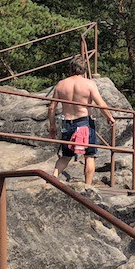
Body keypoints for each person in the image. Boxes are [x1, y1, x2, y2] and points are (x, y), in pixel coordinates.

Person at [48, 56, 115, 186]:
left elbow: (52, 108)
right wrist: (109, 116)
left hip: (67, 124)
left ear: (71, 69)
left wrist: (52, 126)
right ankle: (87, 187)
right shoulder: (89, 84)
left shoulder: (61, 84)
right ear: (84, 70)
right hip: (84, 123)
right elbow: (101, 104)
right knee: (89, 155)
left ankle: (53, 178)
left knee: (66, 155)